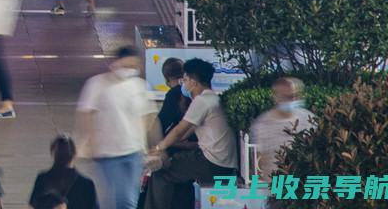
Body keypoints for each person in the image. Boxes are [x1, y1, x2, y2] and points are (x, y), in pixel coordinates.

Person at [144, 60, 236, 209]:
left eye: (185, 80)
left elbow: (180, 129)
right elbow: (185, 133)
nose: (183, 84)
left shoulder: (202, 101)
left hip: (212, 162)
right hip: (221, 161)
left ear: (193, 82)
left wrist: (160, 147)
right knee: (178, 166)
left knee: (161, 172)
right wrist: (166, 146)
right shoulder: (211, 98)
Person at [75, 48, 156, 209]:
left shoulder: (140, 86)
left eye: (134, 65)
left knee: (128, 199)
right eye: (126, 65)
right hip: (107, 153)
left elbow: (148, 116)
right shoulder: (97, 84)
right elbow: (85, 114)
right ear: (115, 64)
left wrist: (152, 146)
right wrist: (89, 142)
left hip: (134, 153)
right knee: (121, 200)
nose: (130, 69)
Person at [246, 76, 315, 180]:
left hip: (302, 184)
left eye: (293, 96)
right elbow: (261, 158)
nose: (291, 100)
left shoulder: (308, 119)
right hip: (275, 185)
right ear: (275, 97)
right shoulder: (262, 124)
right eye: (285, 97)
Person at [28, 137, 97, 209]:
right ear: (75, 155)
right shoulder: (87, 184)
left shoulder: (42, 179)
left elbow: (33, 206)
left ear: (53, 154)